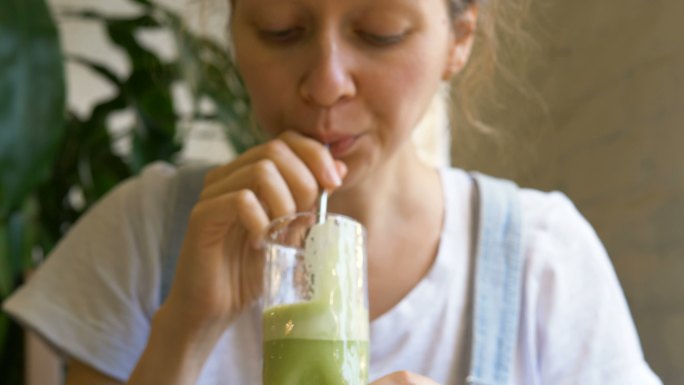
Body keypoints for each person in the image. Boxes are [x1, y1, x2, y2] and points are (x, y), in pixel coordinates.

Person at [3, 0, 663, 384]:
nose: (324, 84)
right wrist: (185, 324)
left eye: (378, 33)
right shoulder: (140, 237)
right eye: (279, 29)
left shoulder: (543, 264)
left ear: (458, 41)